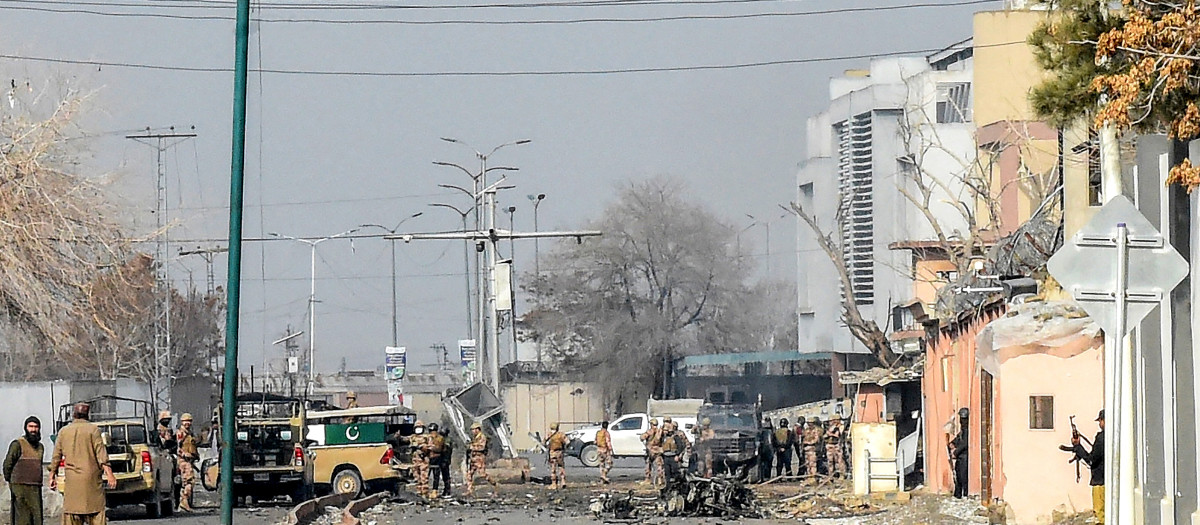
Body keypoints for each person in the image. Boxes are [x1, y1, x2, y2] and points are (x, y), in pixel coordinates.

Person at [50, 402, 117, 525]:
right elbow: (101, 455)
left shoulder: (64, 431)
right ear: (88, 414)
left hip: (72, 483)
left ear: (74, 415)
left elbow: (56, 456)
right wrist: (110, 474)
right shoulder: (94, 430)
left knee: (71, 514)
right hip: (91, 483)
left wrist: (52, 475)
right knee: (96, 513)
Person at [1065, 410, 1105, 525]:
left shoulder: (1101, 438)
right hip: (1108, 482)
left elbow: (1091, 460)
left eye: (1100, 421)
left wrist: (1078, 447)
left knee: (1100, 517)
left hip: (1100, 482)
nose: (1099, 424)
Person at [4, 416, 44, 525]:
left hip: (35, 487)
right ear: (25, 428)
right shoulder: (18, 444)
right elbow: (8, 464)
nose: (33, 430)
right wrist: (11, 482)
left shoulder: (40, 447)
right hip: (20, 487)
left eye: (36, 427)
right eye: (30, 426)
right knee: (22, 519)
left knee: (37, 518)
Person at [465, 422, 496, 497]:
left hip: (479, 458)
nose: (472, 431)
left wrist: (471, 447)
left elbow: (481, 447)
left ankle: (494, 484)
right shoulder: (475, 438)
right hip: (474, 458)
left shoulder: (482, 437)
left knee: (482, 474)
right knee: (469, 474)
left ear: (477, 429)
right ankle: (470, 490)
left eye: (473, 429)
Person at [176, 413, 199, 511]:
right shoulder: (181, 433)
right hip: (184, 461)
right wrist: (184, 454)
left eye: (189, 421)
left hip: (189, 461)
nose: (188, 423)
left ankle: (185, 502)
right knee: (188, 481)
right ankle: (184, 502)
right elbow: (177, 448)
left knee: (189, 482)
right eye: (186, 421)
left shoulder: (189, 433)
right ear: (182, 422)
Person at [950, 407, 969, 498]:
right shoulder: (963, 430)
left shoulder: (968, 430)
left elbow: (965, 443)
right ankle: (957, 494)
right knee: (958, 476)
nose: (962, 421)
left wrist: (955, 452)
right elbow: (959, 438)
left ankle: (965, 494)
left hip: (965, 456)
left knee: (963, 476)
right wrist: (953, 443)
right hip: (960, 457)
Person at [410, 420, 431, 497]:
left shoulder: (427, 437)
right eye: (417, 427)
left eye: (420, 427)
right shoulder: (412, 437)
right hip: (415, 461)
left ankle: (425, 493)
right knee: (416, 477)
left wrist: (422, 447)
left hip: (423, 460)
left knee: (424, 477)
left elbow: (430, 447)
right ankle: (419, 492)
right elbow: (405, 439)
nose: (418, 429)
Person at [640, 419, 663, 486]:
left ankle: (648, 479)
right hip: (658, 450)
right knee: (659, 465)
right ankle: (659, 480)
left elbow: (642, 438)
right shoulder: (660, 431)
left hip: (651, 451)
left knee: (648, 465)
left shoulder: (650, 431)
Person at [545, 423, 568, 489]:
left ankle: (554, 484)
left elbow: (544, 442)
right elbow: (567, 442)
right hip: (560, 453)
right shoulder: (561, 434)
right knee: (561, 467)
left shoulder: (548, 435)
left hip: (552, 453)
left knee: (553, 469)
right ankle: (563, 481)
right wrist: (564, 447)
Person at [426, 423, 446, 497]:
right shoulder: (427, 437)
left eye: (433, 431)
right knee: (425, 474)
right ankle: (425, 490)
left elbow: (440, 448)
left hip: (437, 458)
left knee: (436, 475)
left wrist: (432, 447)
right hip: (428, 458)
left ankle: (435, 490)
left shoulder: (440, 438)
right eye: (431, 431)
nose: (432, 433)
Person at [801, 416, 822, 482]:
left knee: (812, 464)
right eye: (808, 423)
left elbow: (816, 440)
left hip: (812, 449)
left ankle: (813, 477)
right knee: (807, 464)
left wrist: (808, 442)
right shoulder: (806, 430)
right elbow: (803, 438)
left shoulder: (816, 430)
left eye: (811, 423)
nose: (809, 424)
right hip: (806, 449)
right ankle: (809, 477)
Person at [435, 427, 453, 497]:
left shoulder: (447, 440)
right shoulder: (442, 439)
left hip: (444, 459)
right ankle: (446, 490)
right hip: (441, 459)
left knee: (445, 475)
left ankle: (447, 490)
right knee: (441, 475)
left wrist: (445, 460)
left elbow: (447, 451)